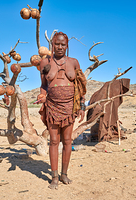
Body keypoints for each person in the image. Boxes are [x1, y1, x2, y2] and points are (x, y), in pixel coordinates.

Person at [37, 32, 86, 189]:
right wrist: (42, 96)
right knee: (53, 141)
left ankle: (64, 174)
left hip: (70, 107)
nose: (60, 47)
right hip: (52, 106)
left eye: (63, 44)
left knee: (67, 141)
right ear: (52, 44)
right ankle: (54, 177)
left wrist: (82, 106)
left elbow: (81, 86)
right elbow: (44, 85)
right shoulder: (45, 62)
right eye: (57, 44)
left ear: (67, 46)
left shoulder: (74, 62)